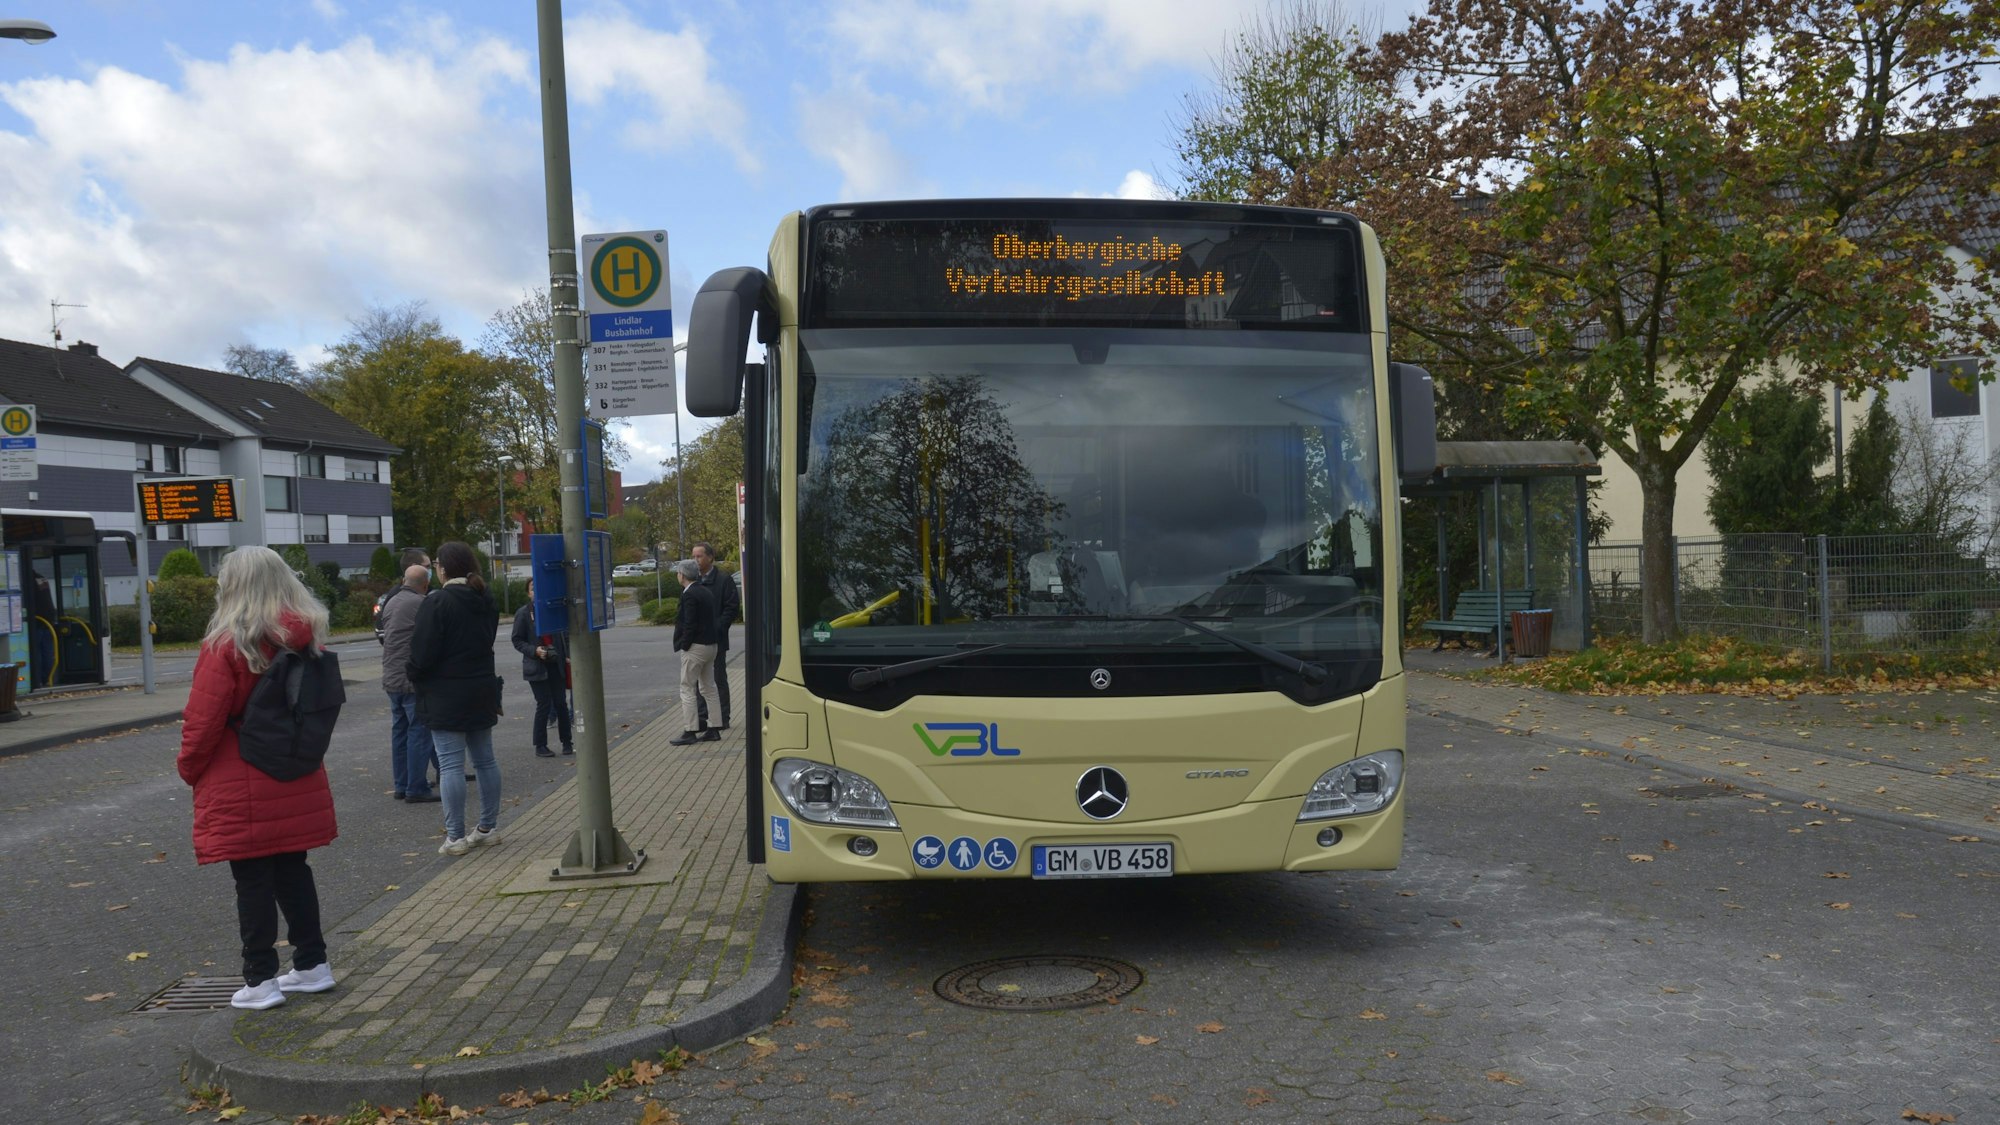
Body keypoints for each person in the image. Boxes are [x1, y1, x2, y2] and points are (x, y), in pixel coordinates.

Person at [176, 546, 339, 1010]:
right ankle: (312, 965)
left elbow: (203, 721)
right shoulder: (307, 640)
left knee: (251, 879)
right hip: (295, 770)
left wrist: (189, 768)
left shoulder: (227, 644)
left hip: (240, 775)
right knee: (293, 870)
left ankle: (260, 980)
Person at [407, 541, 504, 856]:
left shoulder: (437, 603)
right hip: (482, 688)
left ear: (444, 568)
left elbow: (422, 655)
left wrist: (413, 673)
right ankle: (487, 827)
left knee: (450, 764)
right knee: (485, 759)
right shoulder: (485, 599)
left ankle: (456, 836)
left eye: (436, 562)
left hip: (446, 694)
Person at [379, 561, 438, 802]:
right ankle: (416, 787)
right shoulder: (422, 603)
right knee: (418, 733)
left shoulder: (391, 602)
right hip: (411, 679)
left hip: (391, 677)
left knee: (400, 732)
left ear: (404, 582)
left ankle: (401, 785)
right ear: (424, 585)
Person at [510, 577, 572, 757]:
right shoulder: (523, 613)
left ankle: (567, 741)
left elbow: (565, 635)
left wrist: (567, 654)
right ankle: (540, 745)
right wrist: (534, 650)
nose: (536, 592)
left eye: (539, 588)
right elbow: (517, 640)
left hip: (556, 664)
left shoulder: (554, 611)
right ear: (528, 593)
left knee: (561, 704)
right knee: (543, 704)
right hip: (536, 667)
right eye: (532, 589)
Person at [670, 559, 722, 746]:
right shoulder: (705, 591)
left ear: (682, 575)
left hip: (695, 647)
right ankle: (714, 728)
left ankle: (690, 730)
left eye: (678, 573)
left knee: (687, 687)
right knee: (709, 687)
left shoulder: (689, 594)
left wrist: (684, 644)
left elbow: (689, 622)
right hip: (711, 645)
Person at [690, 541, 740, 731]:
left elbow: (731, 606)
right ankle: (702, 718)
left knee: (718, 679)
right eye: (693, 556)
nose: (696, 560)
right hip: (697, 641)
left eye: (699, 556)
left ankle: (723, 718)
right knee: (698, 682)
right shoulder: (692, 579)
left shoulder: (723, 580)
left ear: (710, 557)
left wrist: (718, 627)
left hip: (717, 639)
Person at [28, 573, 57, 688]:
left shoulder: (27, 579)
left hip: (37, 621)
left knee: (37, 653)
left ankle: (37, 679)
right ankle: (47, 679)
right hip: (48, 621)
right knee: (47, 653)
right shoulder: (41, 578)